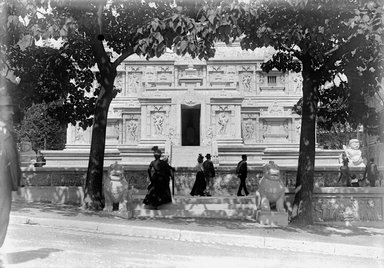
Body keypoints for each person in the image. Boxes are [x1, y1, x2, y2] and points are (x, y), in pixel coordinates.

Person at [0, 95, 21, 248]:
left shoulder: (9, 133)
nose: (12, 112)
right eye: (8, 109)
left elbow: (15, 159)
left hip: (5, 183)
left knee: (4, 217)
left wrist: (17, 183)